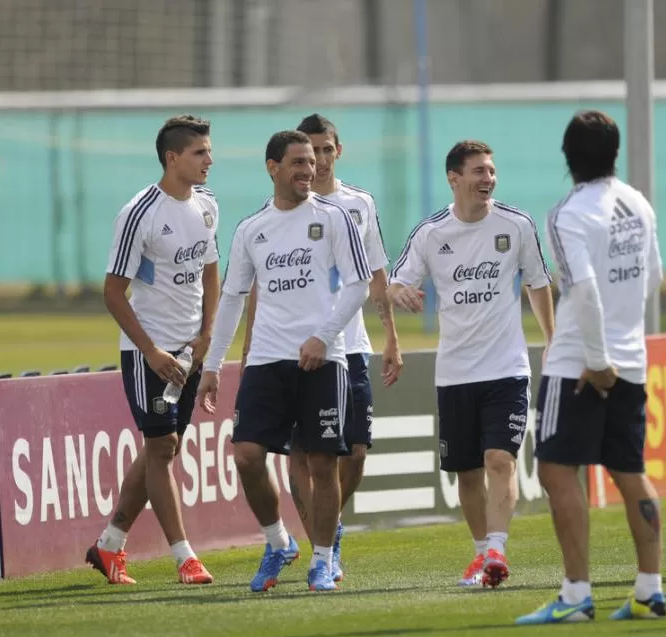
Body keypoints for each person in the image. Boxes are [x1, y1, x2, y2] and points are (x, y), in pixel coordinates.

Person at [197, 130, 372, 593]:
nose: (307, 171)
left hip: (323, 358)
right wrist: (213, 366)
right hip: (268, 360)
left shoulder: (334, 219)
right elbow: (232, 298)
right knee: (248, 456)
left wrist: (323, 337)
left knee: (322, 463)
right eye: (297, 163)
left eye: (312, 162)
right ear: (273, 167)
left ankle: (322, 558)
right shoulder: (253, 229)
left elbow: (358, 285)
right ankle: (278, 542)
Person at [516, 110, 666, 624]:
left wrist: (597, 360)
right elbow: (651, 278)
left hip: (580, 364)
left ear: (568, 157)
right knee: (631, 474)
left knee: (558, 470)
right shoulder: (638, 203)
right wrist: (621, 344)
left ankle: (576, 595)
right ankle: (649, 591)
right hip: (632, 359)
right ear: (615, 153)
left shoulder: (567, 213)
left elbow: (583, 291)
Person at [239, 114, 403, 583]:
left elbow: (374, 275)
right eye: (310, 152)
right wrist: (252, 346)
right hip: (291, 350)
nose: (318, 161)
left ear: (337, 151)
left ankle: (328, 533)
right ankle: (320, 553)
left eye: (326, 150)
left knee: (353, 454)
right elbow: (257, 287)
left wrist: (390, 335)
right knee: (302, 455)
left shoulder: (358, 205)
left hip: (348, 347)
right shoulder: (273, 215)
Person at [388, 140, 555, 588]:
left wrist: (552, 339)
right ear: (454, 178)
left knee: (500, 458)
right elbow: (393, 282)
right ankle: (481, 554)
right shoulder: (430, 233)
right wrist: (397, 292)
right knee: (466, 471)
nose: (488, 179)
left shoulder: (516, 225)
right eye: (479, 172)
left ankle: (498, 550)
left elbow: (537, 283)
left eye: (491, 171)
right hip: (456, 372)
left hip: (507, 368)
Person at [88, 115, 218, 585]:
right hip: (149, 353)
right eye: (200, 152)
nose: (210, 159)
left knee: (163, 446)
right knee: (162, 446)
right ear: (172, 158)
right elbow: (113, 292)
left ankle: (109, 545)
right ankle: (185, 557)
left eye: (209, 150)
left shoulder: (207, 205)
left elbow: (209, 272)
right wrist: (151, 351)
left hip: (190, 350)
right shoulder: (139, 212)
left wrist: (207, 335)